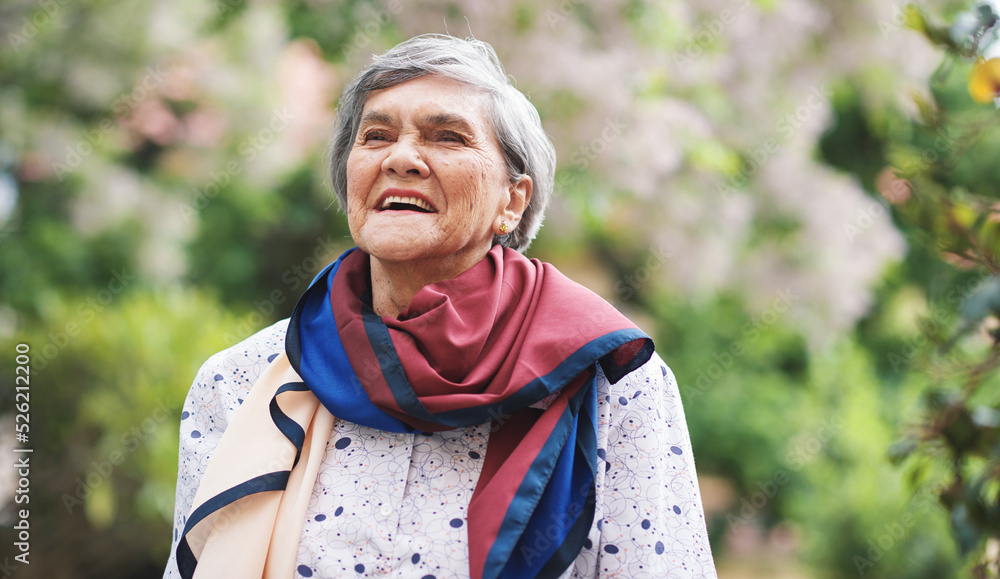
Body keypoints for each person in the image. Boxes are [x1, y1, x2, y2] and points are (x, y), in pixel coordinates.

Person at [163, 33, 716, 579]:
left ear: (513, 200)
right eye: (376, 136)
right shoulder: (239, 383)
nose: (401, 158)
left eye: (447, 137)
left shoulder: (608, 383)